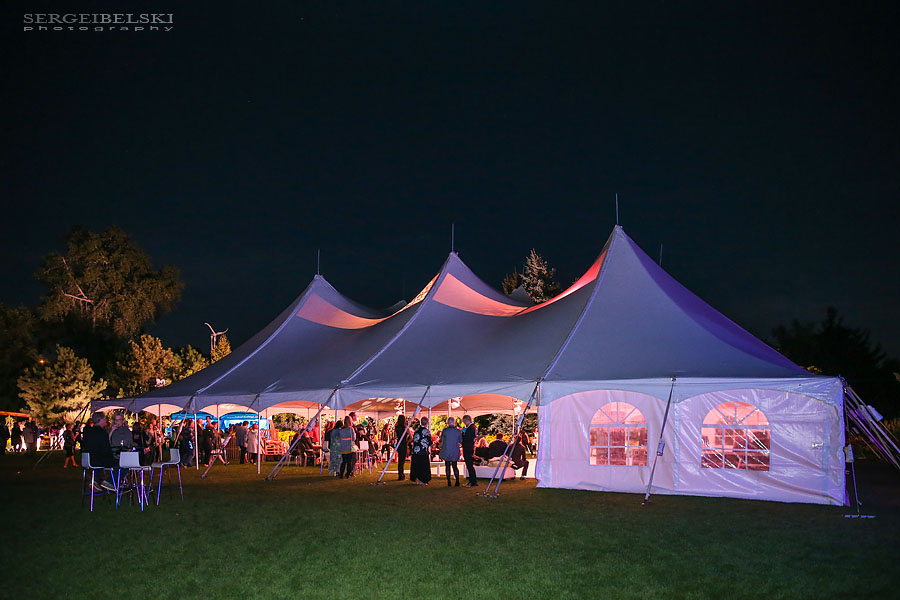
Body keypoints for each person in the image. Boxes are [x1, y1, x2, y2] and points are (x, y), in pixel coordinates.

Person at [81, 412, 117, 492]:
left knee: (98, 460)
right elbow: (106, 449)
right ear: (100, 420)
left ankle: (95, 481)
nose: (106, 420)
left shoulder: (88, 432)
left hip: (88, 459)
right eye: (104, 419)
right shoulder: (102, 433)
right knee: (122, 464)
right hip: (99, 460)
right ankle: (109, 482)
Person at [439, 417, 462, 487]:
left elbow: (442, 441)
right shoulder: (458, 431)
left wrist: (440, 447)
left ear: (448, 423)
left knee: (447, 466)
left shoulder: (445, 431)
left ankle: (449, 481)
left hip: (446, 450)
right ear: (454, 422)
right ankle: (457, 481)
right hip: (455, 449)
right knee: (455, 466)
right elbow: (460, 441)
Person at [409, 417, 432, 485]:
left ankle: (417, 479)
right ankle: (423, 480)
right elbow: (429, 442)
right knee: (423, 466)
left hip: (415, 451)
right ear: (427, 423)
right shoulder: (426, 431)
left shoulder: (416, 430)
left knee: (416, 465)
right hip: (423, 451)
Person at [461, 415, 478, 487]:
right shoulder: (474, 427)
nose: (464, 423)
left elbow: (466, 438)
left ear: (467, 420)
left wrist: (462, 434)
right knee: (469, 465)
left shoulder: (470, 428)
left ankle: (472, 481)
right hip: (470, 447)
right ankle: (472, 481)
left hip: (468, 447)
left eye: (464, 421)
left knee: (469, 465)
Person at [394, 415, 410, 480]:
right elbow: (411, 437)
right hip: (403, 444)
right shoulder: (405, 427)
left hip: (399, 444)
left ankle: (400, 474)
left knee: (400, 460)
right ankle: (401, 475)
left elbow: (395, 437)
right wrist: (407, 442)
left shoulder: (396, 428)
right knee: (402, 460)